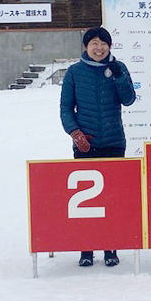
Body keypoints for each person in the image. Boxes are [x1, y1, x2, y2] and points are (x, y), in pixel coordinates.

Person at [60, 26, 136, 267]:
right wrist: (75, 133)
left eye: (103, 43)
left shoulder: (119, 68)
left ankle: (111, 249)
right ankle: (86, 250)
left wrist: (119, 76)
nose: (99, 48)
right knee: (86, 203)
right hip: (86, 145)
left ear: (109, 46)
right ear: (85, 47)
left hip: (113, 143)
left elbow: (129, 99)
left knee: (112, 200)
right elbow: (65, 108)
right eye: (93, 43)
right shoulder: (74, 72)